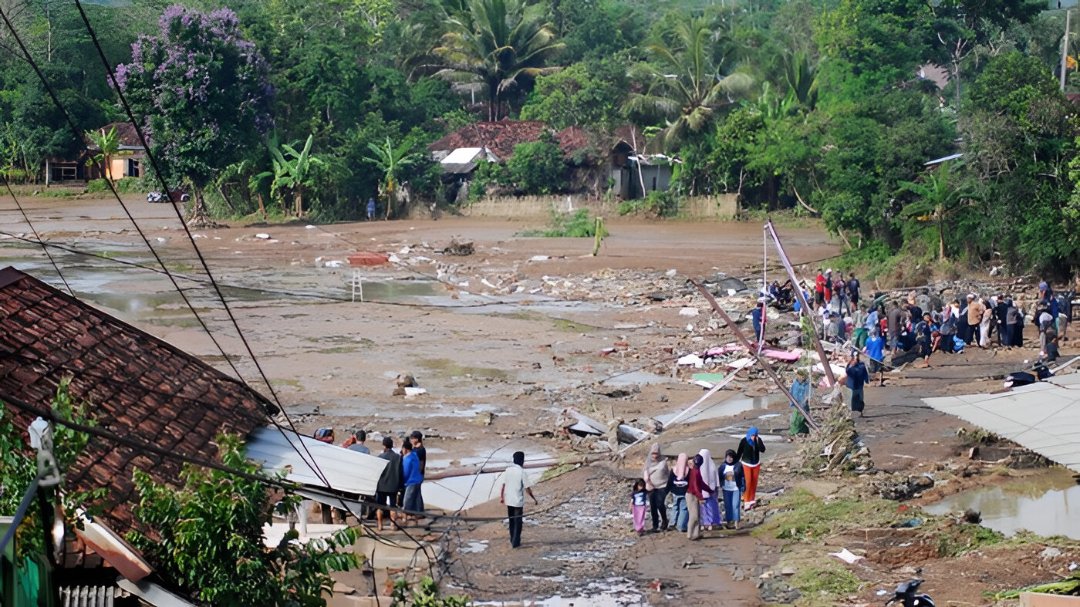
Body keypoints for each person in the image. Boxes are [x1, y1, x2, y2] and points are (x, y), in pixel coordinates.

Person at [499, 451, 538, 547]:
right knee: (518, 521)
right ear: (522, 461)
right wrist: (534, 498)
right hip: (517, 501)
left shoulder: (508, 470)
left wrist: (502, 497)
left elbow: (503, 485)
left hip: (509, 499)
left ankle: (512, 540)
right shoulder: (521, 472)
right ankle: (516, 542)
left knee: (511, 520)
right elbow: (527, 488)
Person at [375, 436, 402, 531]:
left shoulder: (380, 457)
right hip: (393, 485)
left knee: (380, 506)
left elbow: (377, 473)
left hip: (381, 485)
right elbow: (400, 472)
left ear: (384, 446)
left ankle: (380, 525)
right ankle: (392, 525)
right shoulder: (398, 457)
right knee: (393, 506)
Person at [642, 443, 670, 532]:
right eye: (653, 453)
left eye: (656, 453)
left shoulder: (663, 461)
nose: (655, 455)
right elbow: (644, 473)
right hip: (651, 487)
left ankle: (664, 521)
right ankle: (655, 525)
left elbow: (667, 473)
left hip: (662, 485)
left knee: (660, 504)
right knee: (653, 506)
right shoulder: (647, 462)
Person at [736, 427, 765, 509]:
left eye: (755, 435)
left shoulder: (758, 440)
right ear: (749, 434)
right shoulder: (744, 441)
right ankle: (746, 500)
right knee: (747, 482)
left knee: (754, 482)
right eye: (752, 435)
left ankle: (752, 499)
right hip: (746, 464)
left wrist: (758, 441)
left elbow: (762, 450)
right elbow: (739, 453)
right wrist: (735, 463)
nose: (753, 437)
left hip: (756, 464)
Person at [696, 448, 721, 532]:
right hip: (711, 490)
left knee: (703, 508)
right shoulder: (712, 465)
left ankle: (704, 523)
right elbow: (716, 478)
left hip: (702, 491)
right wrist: (716, 487)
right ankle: (712, 522)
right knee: (712, 507)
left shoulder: (698, 466)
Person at [720, 449, 746, 530]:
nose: (729, 459)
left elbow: (743, 477)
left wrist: (743, 487)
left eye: (731, 457)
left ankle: (736, 523)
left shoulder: (738, 465)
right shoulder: (723, 466)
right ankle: (729, 522)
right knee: (728, 506)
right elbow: (718, 476)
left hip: (736, 488)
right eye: (728, 457)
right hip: (726, 489)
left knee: (736, 505)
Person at [401, 441, 423, 524]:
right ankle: (417, 518)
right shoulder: (415, 455)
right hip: (418, 480)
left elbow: (405, 472)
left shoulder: (407, 459)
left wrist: (403, 482)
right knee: (416, 500)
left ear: (405, 449)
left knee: (407, 500)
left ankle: (405, 518)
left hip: (411, 482)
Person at [667, 453, 690, 533]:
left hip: (675, 493)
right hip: (684, 493)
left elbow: (670, 481)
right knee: (683, 509)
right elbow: (690, 482)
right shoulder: (688, 470)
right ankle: (680, 526)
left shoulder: (674, 470)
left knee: (675, 507)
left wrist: (668, 491)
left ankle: (672, 524)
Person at [845, 352, 870, 419]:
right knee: (851, 400)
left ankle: (861, 412)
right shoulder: (850, 366)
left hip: (859, 385)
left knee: (860, 399)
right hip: (851, 386)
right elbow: (847, 371)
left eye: (857, 356)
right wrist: (851, 364)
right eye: (854, 356)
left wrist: (866, 379)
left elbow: (865, 373)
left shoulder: (861, 365)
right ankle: (849, 414)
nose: (856, 358)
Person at [686, 454, 705, 541]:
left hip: (694, 494)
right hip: (691, 495)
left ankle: (696, 533)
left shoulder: (696, 470)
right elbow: (696, 486)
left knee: (698, 515)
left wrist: (709, 490)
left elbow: (701, 484)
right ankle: (689, 534)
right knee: (694, 516)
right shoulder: (695, 472)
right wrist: (700, 497)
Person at [789, 369, 811, 437]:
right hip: (796, 404)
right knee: (795, 419)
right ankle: (795, 433)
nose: (801, 378)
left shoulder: (807, 385)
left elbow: (808, 395)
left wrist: (804, 402)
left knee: (800, 419)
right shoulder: (795, 383)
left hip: (804, 405)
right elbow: (791, 392)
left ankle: (795, 433)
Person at [410, 431, 427, 513]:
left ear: (417, 439)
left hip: (417, 475)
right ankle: (418, 510)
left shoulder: (420, 450)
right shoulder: (415, 449)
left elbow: (421, 464)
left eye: (412, 438)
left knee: (416, 493)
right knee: (416, 493)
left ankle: (419, 511)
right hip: (414, 475)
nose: (411, 440)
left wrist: (418, 474)